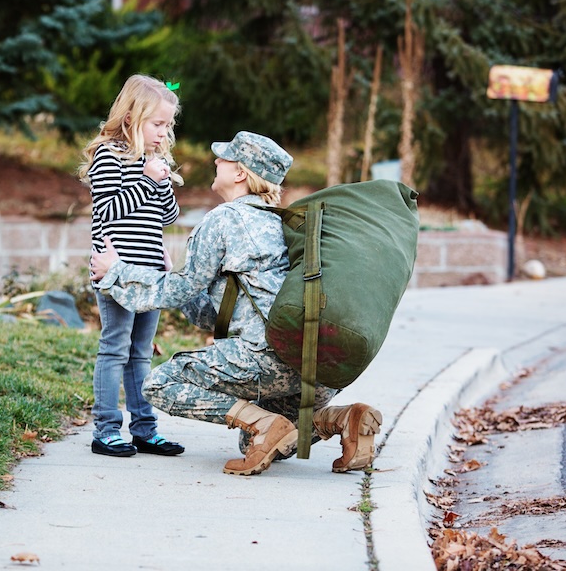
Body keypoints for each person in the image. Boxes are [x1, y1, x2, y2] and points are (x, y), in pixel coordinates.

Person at [90, 131, 382, 475]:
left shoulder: (222, 220)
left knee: (158, 383)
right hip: (315, 364)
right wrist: (180, 279)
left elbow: (175, 291)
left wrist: (116, 271)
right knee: (258, 443)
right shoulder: (284, 221)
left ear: (240, 173)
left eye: (224, 158)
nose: (216, 161)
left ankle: (263, 422)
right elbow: (210, 314)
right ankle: (341, 418)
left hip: (264, 358)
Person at [77, 74, 185, 458]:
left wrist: (161, 181)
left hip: (150, 275)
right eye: (157, 123)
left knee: (141, 353)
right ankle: (106, 430)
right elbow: (106, 213)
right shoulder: (110, 155)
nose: (163, 132)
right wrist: (143, 180)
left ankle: (144, 429)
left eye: (167, 125)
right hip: (116, 272)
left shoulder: (152, 162)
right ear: (131, 118)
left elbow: (167, 216)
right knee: (115, 349)